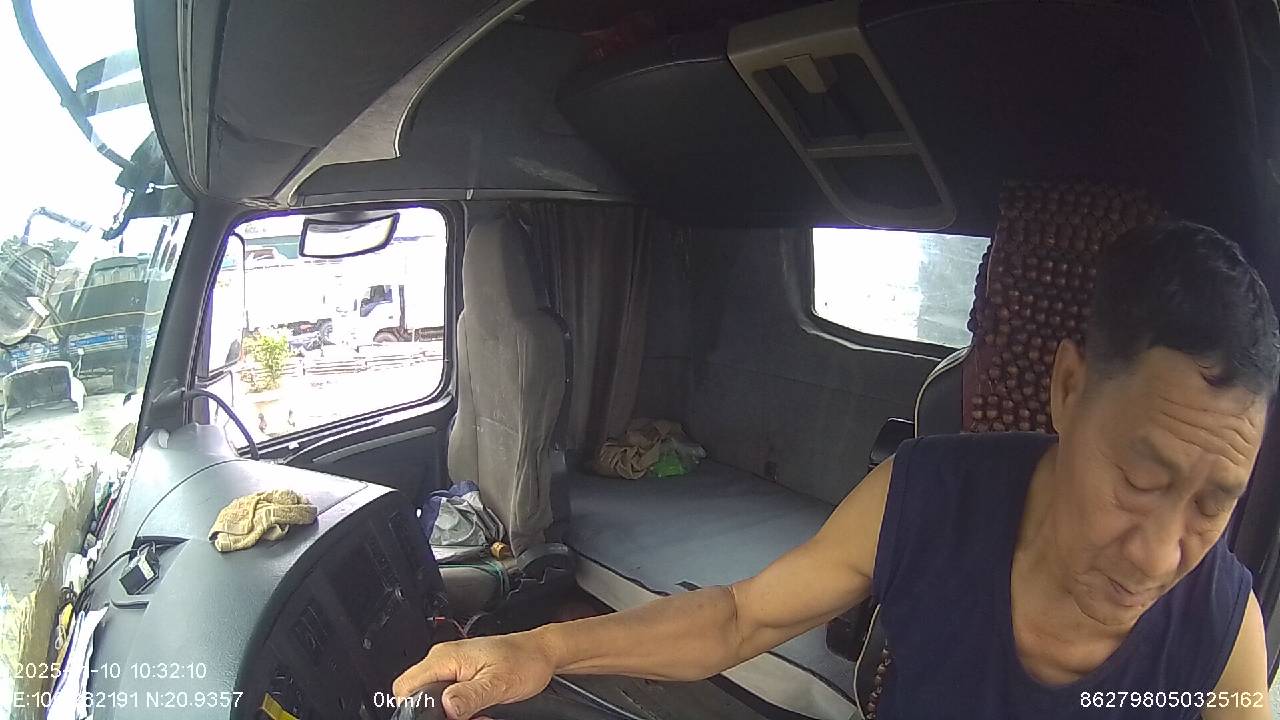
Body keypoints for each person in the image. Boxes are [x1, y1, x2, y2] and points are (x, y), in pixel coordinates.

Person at [395, 222, 1279, 719]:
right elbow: (740, 616)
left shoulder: (1220, 630)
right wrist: (542, 648)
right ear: (1068, 389)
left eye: (1214, 503)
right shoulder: (929, 497)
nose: (1160, 555)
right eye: (1140, 479)